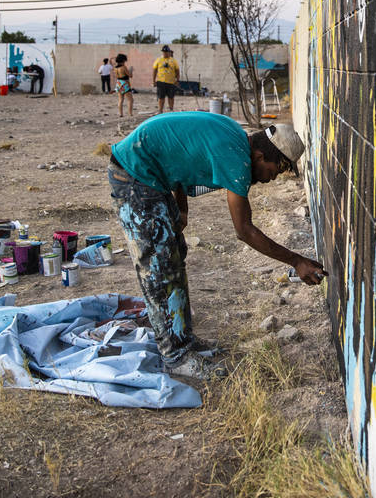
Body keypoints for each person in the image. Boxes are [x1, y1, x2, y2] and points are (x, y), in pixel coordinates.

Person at [108, 115, 323, 380]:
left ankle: (182, 339)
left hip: (150, 173)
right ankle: (175, 356)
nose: (270, 180)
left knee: (175, 256)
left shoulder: (236, 137)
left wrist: (181, 211)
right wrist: (296, 261)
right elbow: (244, 230)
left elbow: (180, 153)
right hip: (135, 174)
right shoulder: (237, 159)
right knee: (159, 265)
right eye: (273, 171)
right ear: (258, 155)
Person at [152, 45, 181, 113]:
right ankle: (160, 110)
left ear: (169, 52)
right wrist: (153, 81)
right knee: (161, 97)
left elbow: (177, 71)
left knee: (171, 97)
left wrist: (177, 80)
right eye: (163, 52)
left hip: (171, 82)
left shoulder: (173, 61)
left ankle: (171, 109)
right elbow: (154, 70)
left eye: (166, 52)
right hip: (161, 81)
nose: (165, 53)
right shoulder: (159, 60)